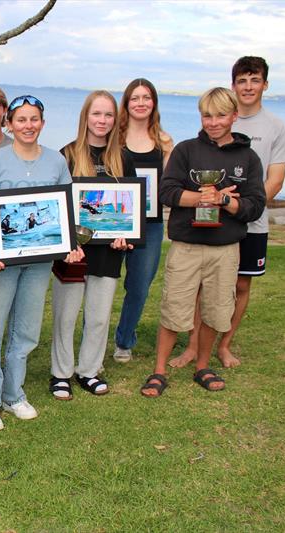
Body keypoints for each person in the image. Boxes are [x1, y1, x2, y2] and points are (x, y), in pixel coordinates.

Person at [170, 56, 285, 369]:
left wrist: (238, 210)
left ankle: (224, 345)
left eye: (255, 80)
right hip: (208, 222)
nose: (249, 86)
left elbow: (275, 180)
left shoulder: (277, 127)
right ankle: (193, 347)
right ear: (233, 86)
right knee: (203, 285)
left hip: (248, 221)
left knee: (240, 286)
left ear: (265, 84)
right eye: (243, 80)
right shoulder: (220, 119)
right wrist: (212, 205)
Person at [141, 88, 265, 397]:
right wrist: (201, 197)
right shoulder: (185, 150)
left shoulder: (248, 158)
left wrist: (225, 201)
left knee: (216, 310)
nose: (213, 122)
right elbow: (167, 192)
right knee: (174, 307)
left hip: (225, 249)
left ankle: (202, 366)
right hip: (186, 246)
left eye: (221, 115)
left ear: (234, 116)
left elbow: (255, 205)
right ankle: (158, 371)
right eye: (207, 115)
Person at [0, 95, 84, 431]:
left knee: (26, 330)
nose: (28, 125)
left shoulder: (56, 162)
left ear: (43, 123)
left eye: (34, 119)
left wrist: (70, 245)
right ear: (9, 123)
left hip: (39, 262)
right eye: (21, 119)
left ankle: (13, 395)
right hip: (1, 263)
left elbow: (65, 211)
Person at [50, 91, 136, 400]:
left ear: (115, 120)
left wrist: (127, 233)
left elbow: (130, 209)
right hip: (74, 252)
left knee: (99, 316)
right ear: (86, 116)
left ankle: (89, 370)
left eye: (108, 115)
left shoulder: (124, 159)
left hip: (108, 251)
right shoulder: (67, 155)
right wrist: (67, 243)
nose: (102, 120)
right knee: (66, 315)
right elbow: (57, 207)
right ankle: (60, 373)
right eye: (96, 114)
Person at [112, 79, 174, 363]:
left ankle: (125, 339)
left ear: (154, 102)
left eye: (146, 97)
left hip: (150, 224)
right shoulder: (114, 137)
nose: (140, 103)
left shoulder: (164, 142)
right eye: (134, 98)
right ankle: (93, 338)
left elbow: (169, 186)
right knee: (100, 284)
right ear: (126, 103)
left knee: (138, 286)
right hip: (115, 223)